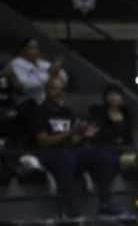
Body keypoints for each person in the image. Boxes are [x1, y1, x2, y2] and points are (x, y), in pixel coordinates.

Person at [26, 77, 118, 218]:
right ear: (46, 90)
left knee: (103, 156)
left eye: (62, 89)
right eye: (55, 88)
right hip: (47, 156)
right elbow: (44, 141)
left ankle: (105, 204)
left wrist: (84, 136)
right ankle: (68, 210)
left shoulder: (66, 112)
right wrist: (70, 133)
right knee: (66, 158)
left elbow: (73, 140)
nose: (59, 92)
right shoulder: (37, 112)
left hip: (69, 152)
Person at [89, 84, 136, 172]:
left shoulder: (126, 113)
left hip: (124, 147)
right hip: (107, 149)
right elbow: (100, 135)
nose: (113, 97)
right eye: (110, 94)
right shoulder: (99, 113)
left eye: (116, 94)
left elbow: (128, 135)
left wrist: (130, 149)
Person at [10, 37, 68, 107]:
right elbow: (24, 85)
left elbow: (63, 79)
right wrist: (48, 74)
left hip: (44, 105)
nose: (36, 51)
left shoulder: (41, 63)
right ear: (22, 51)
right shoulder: (16, 64)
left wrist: (57, 70)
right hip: (26, 104)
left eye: (37, 48)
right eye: (31, 48)